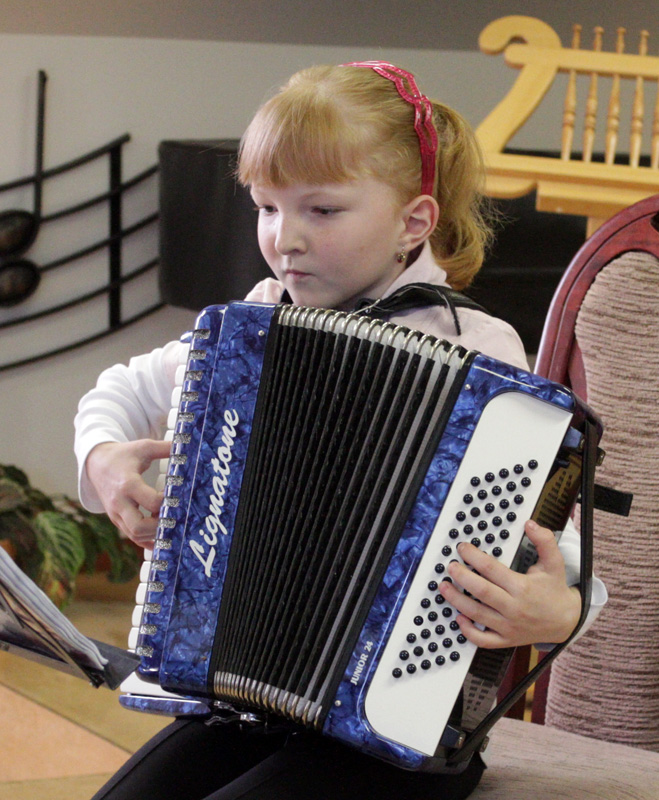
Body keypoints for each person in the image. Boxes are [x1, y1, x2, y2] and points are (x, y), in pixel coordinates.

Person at [75, 62, 606, 800]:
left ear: (414, 222)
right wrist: (104, 462)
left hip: (402, 729)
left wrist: (561, 607)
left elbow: (561, 547)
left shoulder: (480, 354)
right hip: (250, 702)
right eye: (266, 207)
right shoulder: (258, 323)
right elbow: (123, 390)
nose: (283, 238)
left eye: (321, 210)